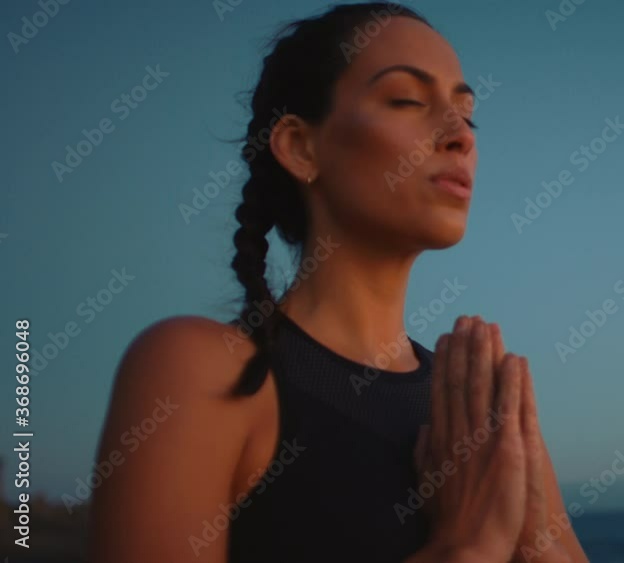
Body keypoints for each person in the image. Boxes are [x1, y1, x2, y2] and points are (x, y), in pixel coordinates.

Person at [87, 3, 588, 562]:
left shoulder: (482, 407)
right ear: (301, 147)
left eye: (467, 115)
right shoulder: (203, 370)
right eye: (407, 101)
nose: (459, 137)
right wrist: (467, 545)